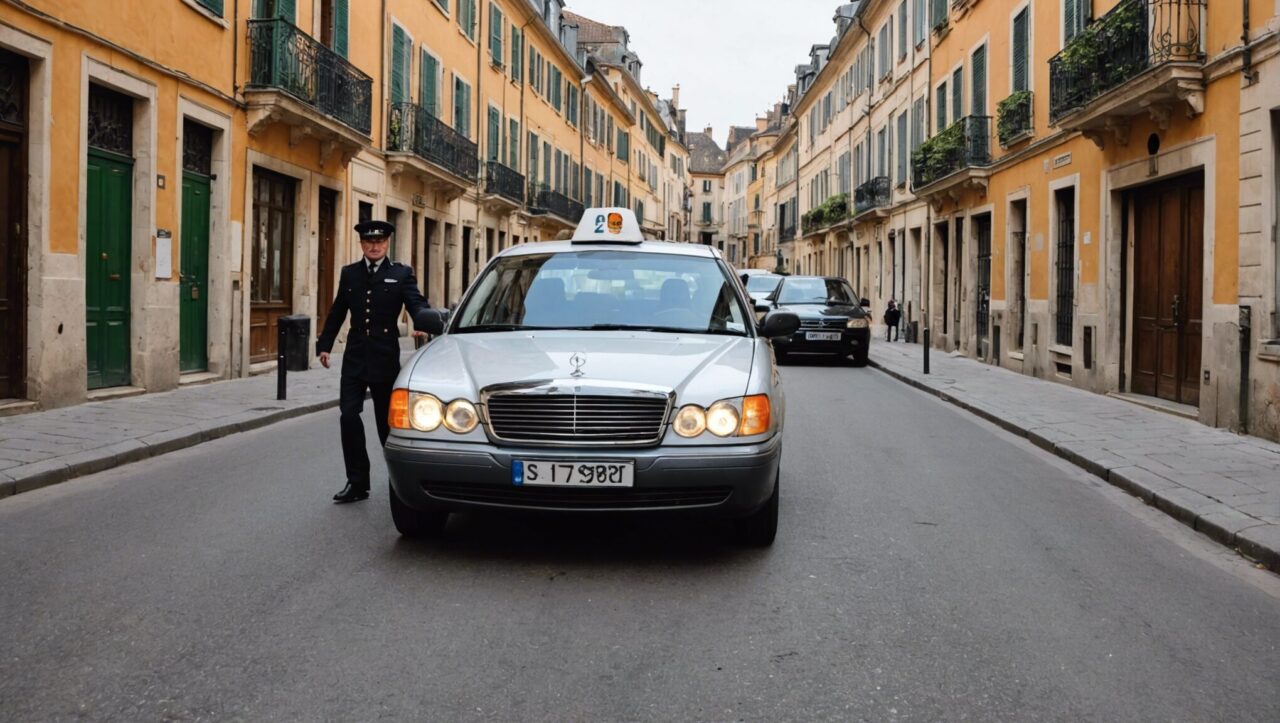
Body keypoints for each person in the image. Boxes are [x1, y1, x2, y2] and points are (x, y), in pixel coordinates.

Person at [317, 220, 432, 504]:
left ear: (387, 243)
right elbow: (337, 311)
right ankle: (357, 482)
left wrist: (424, 322)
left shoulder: (401, 273)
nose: (374, 245)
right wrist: (325, 345)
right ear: (362, 244)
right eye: (369, 242)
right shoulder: (350, 274)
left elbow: (416, 304)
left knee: (386, 425)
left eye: (379, 241)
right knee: (348, 416)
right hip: (355, 357)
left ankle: (397, 481)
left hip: (384, 358)